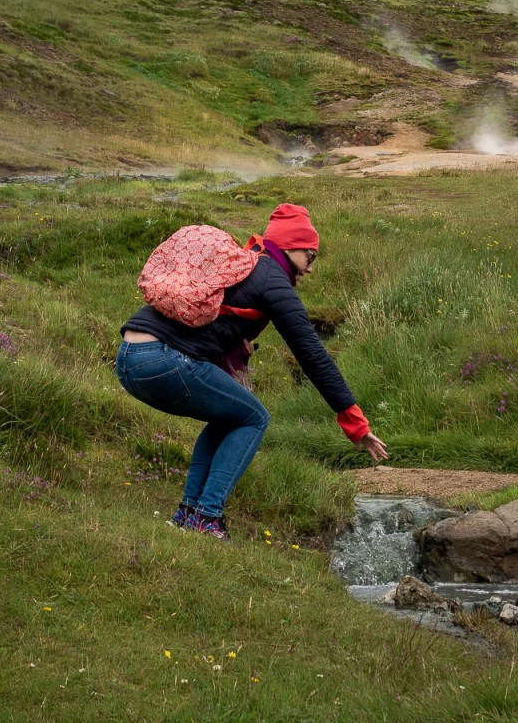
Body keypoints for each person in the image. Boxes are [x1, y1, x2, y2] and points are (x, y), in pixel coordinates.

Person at [116, 203, 387, 540]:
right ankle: (207, 516)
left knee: (230, 415)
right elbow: (312, 353)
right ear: (290, 247)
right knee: (254, 417)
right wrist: (353, 421)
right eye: (310, 257)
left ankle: (188, 515)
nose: (310, 269)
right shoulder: (271, 277)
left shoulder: (242, 266)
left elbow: (212, 324)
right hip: (163, 360)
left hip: (129, 359)